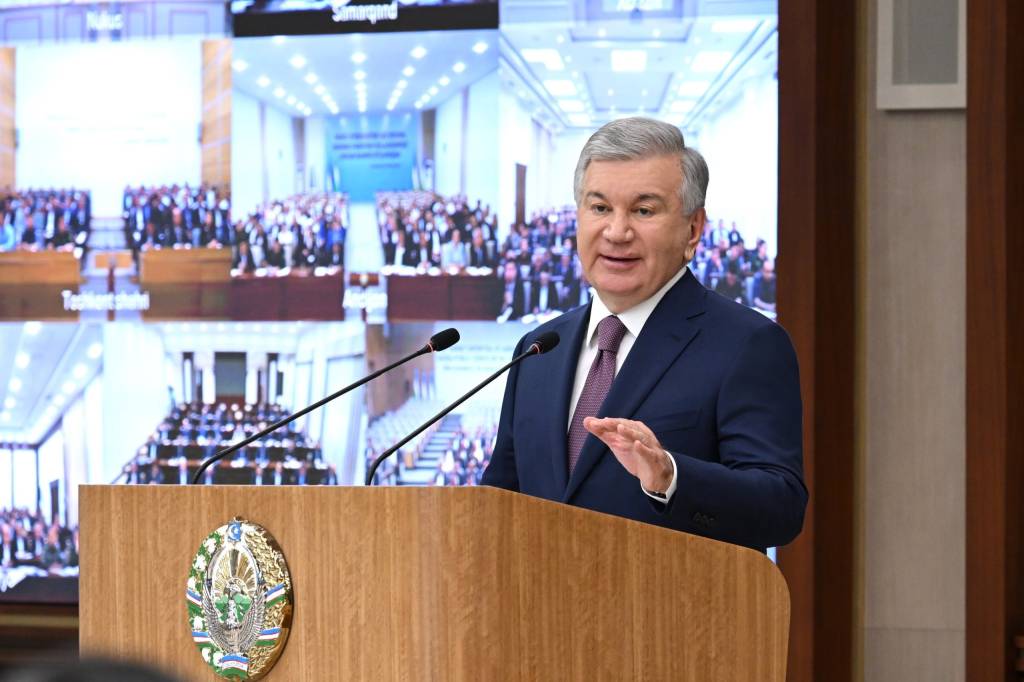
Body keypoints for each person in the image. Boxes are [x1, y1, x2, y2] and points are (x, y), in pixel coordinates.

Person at [481, 117, 805, 551]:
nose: (617, 232)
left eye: (643, 210)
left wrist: (671, 476)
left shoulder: (746, 344)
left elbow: (780, 509)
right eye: (599, 208)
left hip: (669, 613)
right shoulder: (539, 349)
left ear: (693, 229)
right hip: (539, 612)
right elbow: (500, 502)